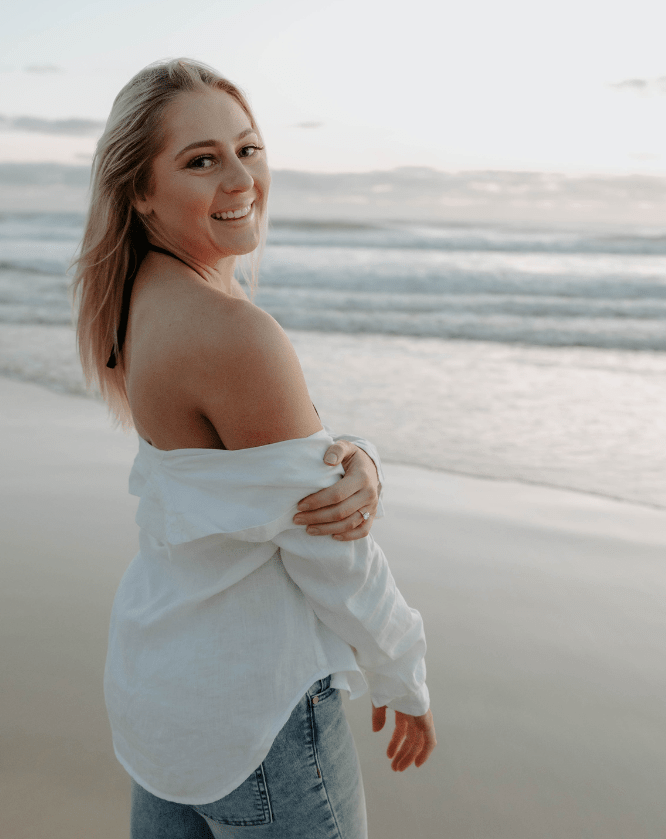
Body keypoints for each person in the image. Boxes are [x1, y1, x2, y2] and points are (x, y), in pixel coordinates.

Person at [72, 59, 436, 838]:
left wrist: (359, 456)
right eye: (201, 160)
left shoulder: (133, 305)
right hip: (256, 717)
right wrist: (403, 671)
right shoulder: (233, 332)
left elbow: (256, 474)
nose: (240, 178)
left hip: (163, 690)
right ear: (139, 191)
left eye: (249, 149)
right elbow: (327, 546)